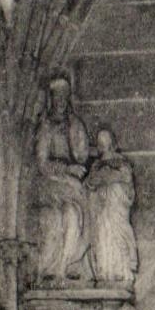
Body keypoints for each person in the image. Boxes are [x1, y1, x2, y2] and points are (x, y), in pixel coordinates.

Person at [32, 74, 91, 284]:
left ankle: (68, 265)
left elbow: (82, 154)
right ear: (52, 98)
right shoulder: (46, 126)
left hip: (71, 185)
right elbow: (42, 163)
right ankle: (51, 269)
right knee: (57, 217)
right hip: (51, 183)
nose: (61, 101)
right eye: (57, 96)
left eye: (64, 96)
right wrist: (66, 169)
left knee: (73, 215)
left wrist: (75, 135)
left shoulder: (74, 123)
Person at [85, 127, 138, 286]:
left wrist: (107, 176)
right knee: (103, 234)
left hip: (116, 206)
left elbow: (125, 178)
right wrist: (104, 177)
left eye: (105, 140)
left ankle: (121, 270)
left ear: (111, 143)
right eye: (99, 141)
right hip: (102, 208)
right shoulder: (96, 165)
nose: (102, 144)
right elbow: (91, 182)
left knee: (118, 234)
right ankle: (105, 270)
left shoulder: (121, 162)